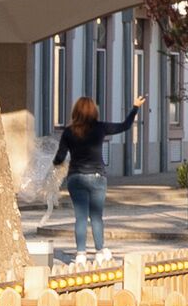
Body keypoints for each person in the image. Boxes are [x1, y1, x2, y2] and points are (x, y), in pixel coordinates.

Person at [53, 93, 138, 259]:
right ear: (94, 112)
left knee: (80, 217)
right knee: (96, 216)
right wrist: (135, 107)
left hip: (75, 178)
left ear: (75, 112)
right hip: (97, 177)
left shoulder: (68, 132)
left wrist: (55, 164)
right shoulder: (100, 128)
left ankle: (80, 254)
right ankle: (100, 251)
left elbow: (60, 157)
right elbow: (125, 126)